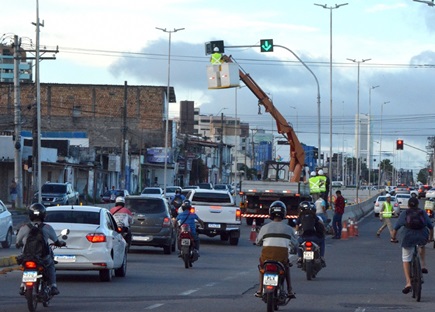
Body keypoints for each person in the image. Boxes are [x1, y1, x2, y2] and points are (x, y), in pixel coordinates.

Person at [16, 203, 66, 296]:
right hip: (43, 257)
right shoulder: (47, 227)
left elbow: (17, 242)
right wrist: (60, 243)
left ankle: (23, 285)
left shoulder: (24, 227)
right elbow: (56, 241)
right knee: (51, 265)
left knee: (25, 267)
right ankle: (53, 286)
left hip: (27, 255)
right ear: (43, 215)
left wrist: (20, 244)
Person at [255, 201, 298, 299]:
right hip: (281, 258)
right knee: (286, 267)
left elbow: (257, 242)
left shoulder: (264, 228)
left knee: (262, 268)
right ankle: (290, 290)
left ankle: (260, 289)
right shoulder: (289, 229)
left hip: (266, 257)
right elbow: (295, 243)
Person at [391, 197, 434, 294]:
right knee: (422, 245)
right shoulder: (422, 212)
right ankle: (423, 264)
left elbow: (396, 228)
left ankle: (408, 282)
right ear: (418, 204)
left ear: (408, 205)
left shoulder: (405, 213)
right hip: (422, 235)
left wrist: (393, 238)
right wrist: (430, 238)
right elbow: (430, 227)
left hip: (408, 237)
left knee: (406, 259)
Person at [296, 201, 326, 267]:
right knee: (322, 241)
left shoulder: (300, 216)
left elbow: (297, 228)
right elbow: (320, 223)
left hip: (303, 238)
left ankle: (300, 257)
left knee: (298, 243)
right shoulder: (313, 215)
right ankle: (321, 257)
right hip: (314, 237)